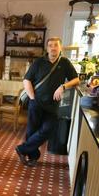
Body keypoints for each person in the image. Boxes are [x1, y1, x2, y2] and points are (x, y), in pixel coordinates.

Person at [15, 37, 79, 167]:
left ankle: (22, 149)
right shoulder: (39, 62)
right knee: (32, 130)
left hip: (52, 105)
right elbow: (26, 80)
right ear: (47, 48)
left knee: (48, 129)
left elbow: (76, 80)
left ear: (60, 47)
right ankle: (32, 156)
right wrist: (32, 98)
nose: (53, 48)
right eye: (50, 45)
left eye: (56, 45)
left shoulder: (65, 63)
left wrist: (63, 86)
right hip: (36, 102)